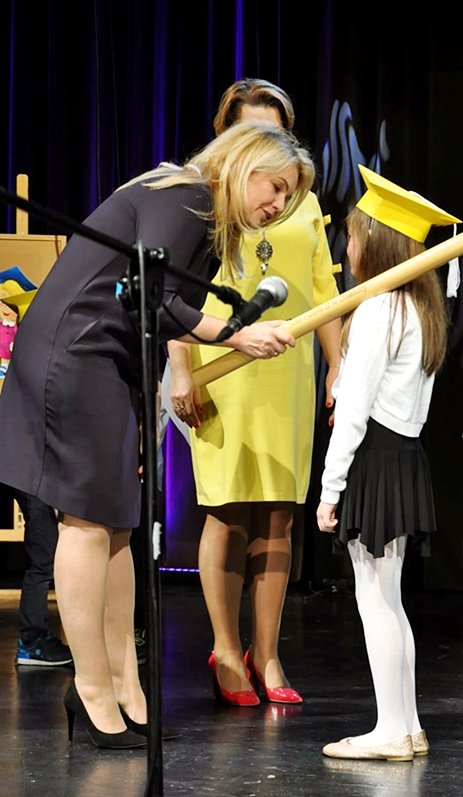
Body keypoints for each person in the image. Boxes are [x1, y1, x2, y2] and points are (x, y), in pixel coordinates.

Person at [0, 120, 315, 747]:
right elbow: (153, 298)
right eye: (276, 187)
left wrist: (146, 405)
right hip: (77, 354)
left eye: (289, 197)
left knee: (119, 526)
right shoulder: (187, 196)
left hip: (110, 361)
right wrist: (238, 335)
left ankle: (125, 686)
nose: (278, 205)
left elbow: (151, 313)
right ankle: (92, 688)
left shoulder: (202, 213)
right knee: (87, 522)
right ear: (243, 164)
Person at [165, 79, 342, 706]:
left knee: (279, 513)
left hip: (286, 369)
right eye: (253, 132)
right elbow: (172, 292)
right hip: (220, 360)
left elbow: (323, 290)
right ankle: (224, 648)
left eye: (278, 133)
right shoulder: (202, 197)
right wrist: (181, 369)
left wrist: (337, 366)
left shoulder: (302, 200)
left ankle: (267, 653)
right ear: (229, 136)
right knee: (227, 508)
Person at [317, 164, 457, 761]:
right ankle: (407, 725)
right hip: (404, 454)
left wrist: (330, 488)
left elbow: (353, 409)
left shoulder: (379, 310)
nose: (346, 248)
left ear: (373, 242)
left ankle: (392, 731)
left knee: (374, 601)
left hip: (375, 457)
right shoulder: (422, 309)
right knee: (389, 600)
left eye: (351, 236)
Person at [6, 486, 73, 667]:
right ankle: (32, 642)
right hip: (33, 478)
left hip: (32, 478)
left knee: (43, 559)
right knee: (43, 560)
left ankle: (33, 639)